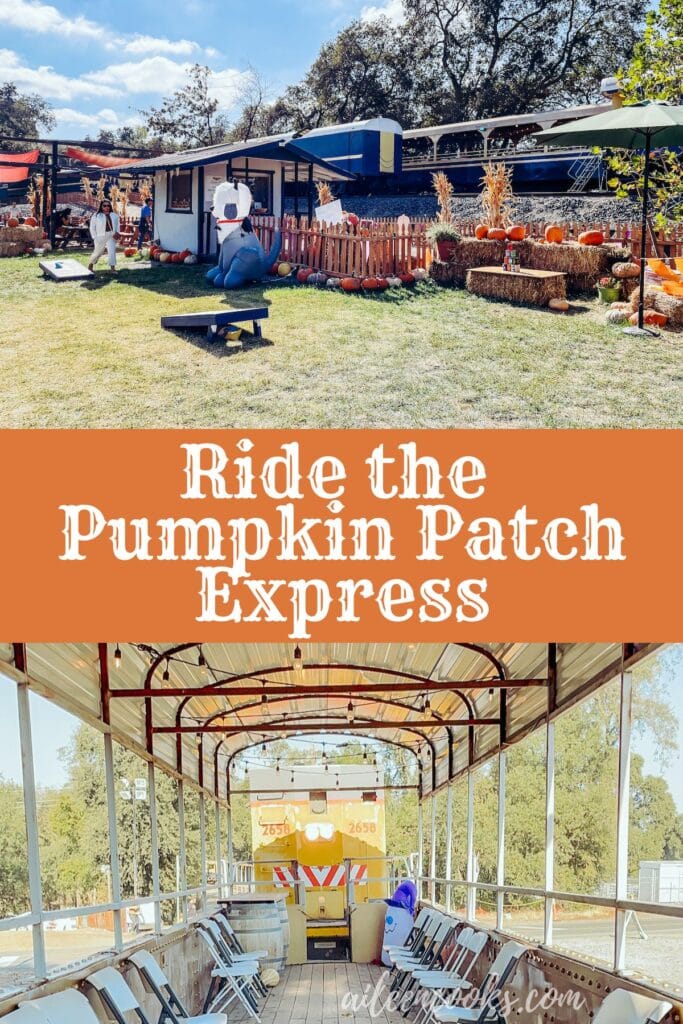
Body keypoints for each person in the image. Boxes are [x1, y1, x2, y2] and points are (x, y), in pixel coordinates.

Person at [88, 199, 120, 272]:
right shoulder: (96, 215)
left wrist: (117, 233)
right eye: (104, 205)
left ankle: (113, 268)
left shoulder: (114, 215)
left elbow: (118, 225)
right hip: (100, 236)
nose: (106, 207)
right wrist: (94, 237)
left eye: (108, 205)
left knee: (112, 251)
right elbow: (92, 227)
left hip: (112, 235)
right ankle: (90, 265)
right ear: (101, 206)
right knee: (98, 252)